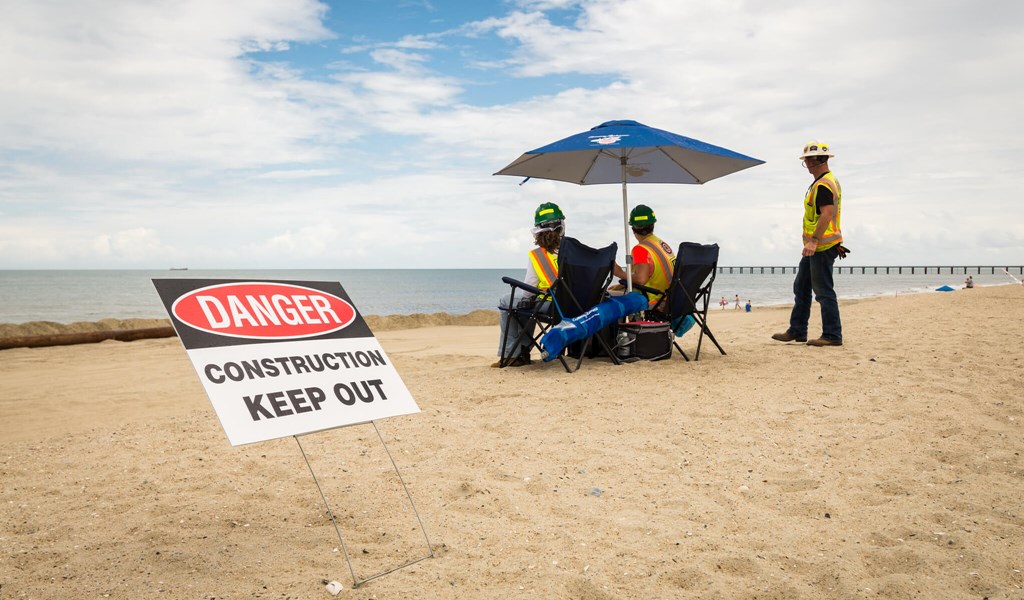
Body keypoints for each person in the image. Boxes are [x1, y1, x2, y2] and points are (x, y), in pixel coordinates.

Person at [772, 140, 844, 347]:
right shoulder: (824, 181)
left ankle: (832, 335)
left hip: (821, 246)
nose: (806, 166)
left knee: (823, 292)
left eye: (806, 161)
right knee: (801, 286)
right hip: (815, 247)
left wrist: (814, 240)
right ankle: (797, 330)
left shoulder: (823, 184)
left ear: (815, 161)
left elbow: (827, 214)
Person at [493, 202, 566, 367]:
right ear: (561, 226)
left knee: (514, 300)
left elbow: (527, 293)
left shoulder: (539, 255)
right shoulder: (573, 250)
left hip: (553, 307)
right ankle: (522, 350)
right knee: (529, 304)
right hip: (576, 305)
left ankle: (512, 354)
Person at [610, 204, 676, 308]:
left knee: (607, 297)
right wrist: (623, 285)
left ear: (633, 229)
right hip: (670, 299)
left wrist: (619, 273)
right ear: (653, 225)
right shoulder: (660, 244)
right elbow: (654, 273)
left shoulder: (641, 249)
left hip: (655, 301)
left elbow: (641, 279)